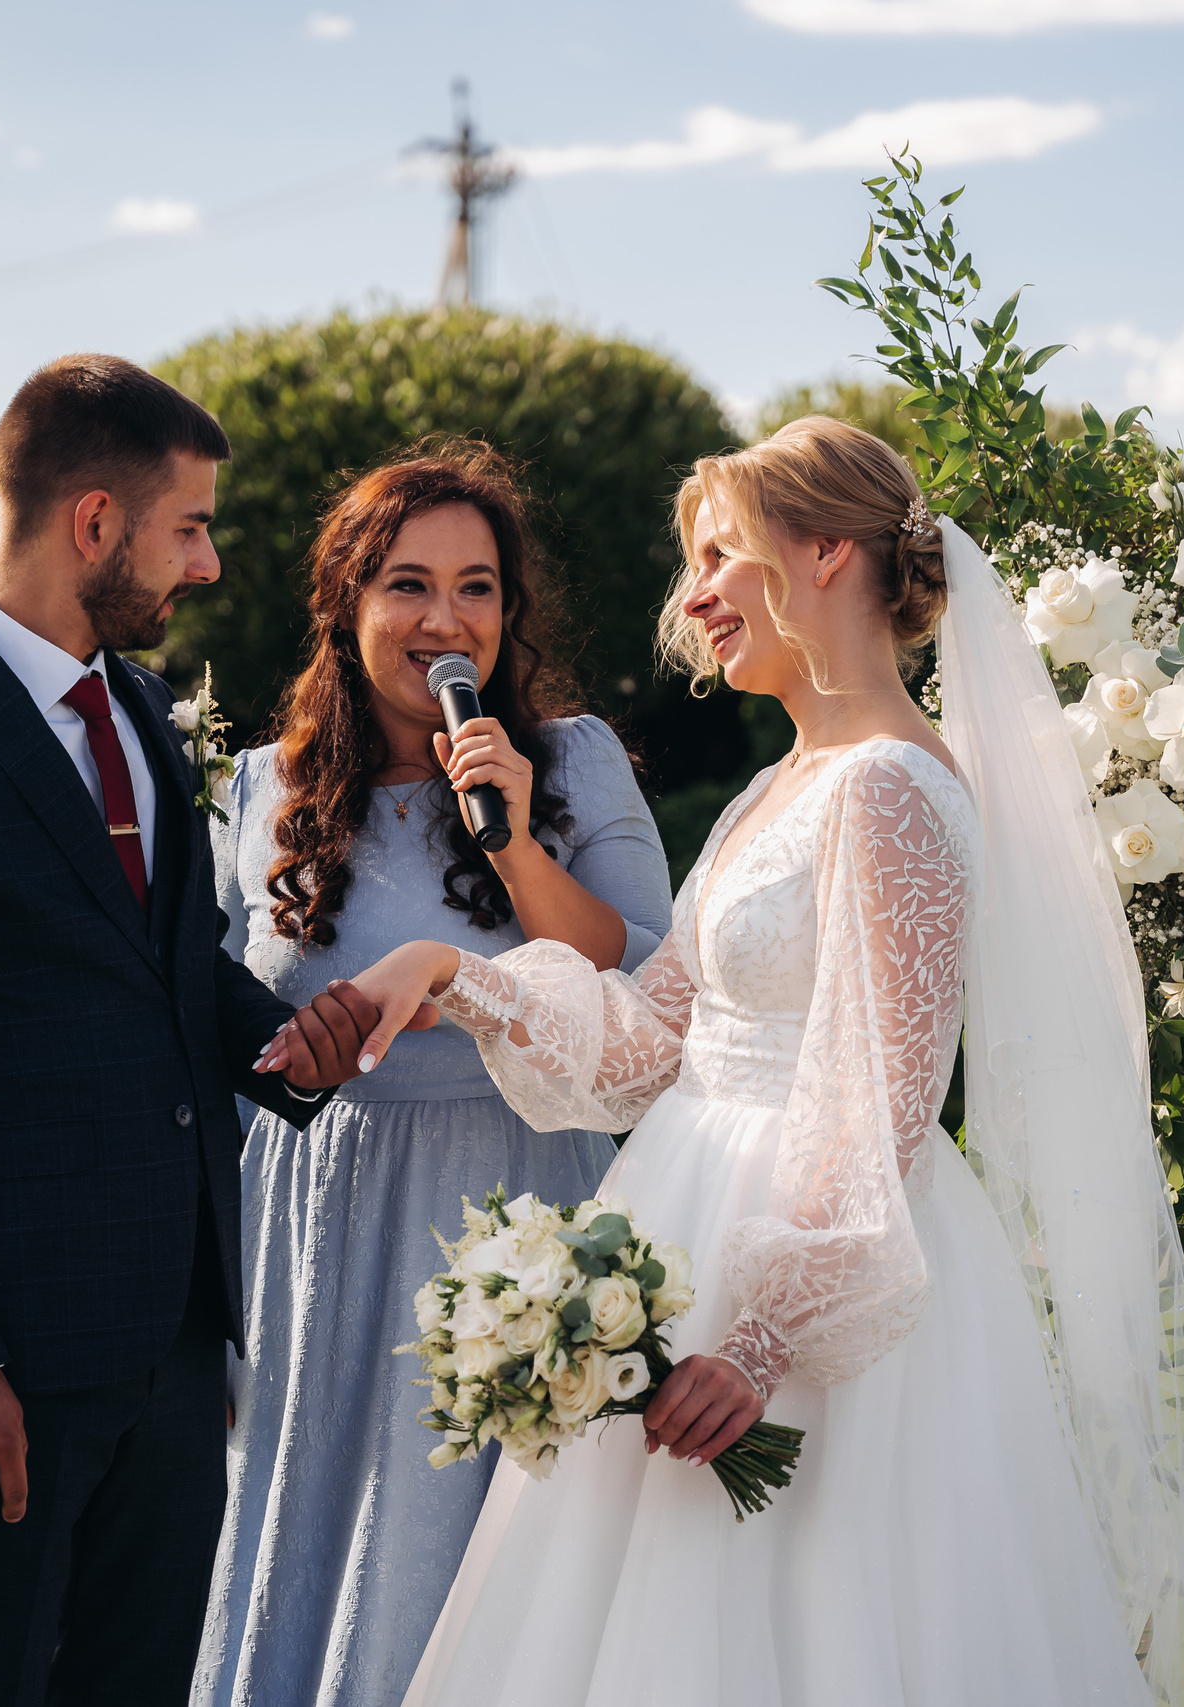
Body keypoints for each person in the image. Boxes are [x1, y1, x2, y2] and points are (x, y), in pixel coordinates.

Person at [324, 418, 1184, 1705]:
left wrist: (761, 1342)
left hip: (815, 1283)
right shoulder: (781, 787)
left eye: (721, 557)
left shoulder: (888, 789)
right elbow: (654, 1036)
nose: (696, 597)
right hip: (693, 1219)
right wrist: (454, 976)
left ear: (826, 553)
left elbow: (883, 1096)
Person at [0, 354, 382, 1707]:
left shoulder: (134, 710)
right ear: (94, 521)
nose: (212, 564)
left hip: (168, 1346)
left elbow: (166, 971)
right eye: (192, 526)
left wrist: (290, 1046)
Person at [196, 443, 674, 1707]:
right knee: (314, 1519)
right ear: (347, 606)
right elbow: (219, 1005)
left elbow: (641, 987)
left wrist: (512, 839)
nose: (444, 619)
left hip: (513, 1198)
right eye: (407, 585)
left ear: (508, 614)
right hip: (315, 1213)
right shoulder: (263, 788)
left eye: (477, 587)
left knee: (489, 1542)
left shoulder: (568, 763)